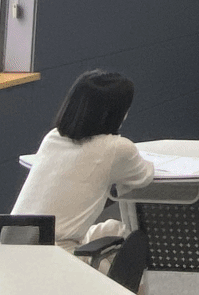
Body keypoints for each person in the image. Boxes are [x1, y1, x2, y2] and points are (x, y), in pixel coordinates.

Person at [9, 70, 155, 259]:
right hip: (57, 256)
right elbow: (144, 177)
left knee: (113, 229)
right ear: (117, 113)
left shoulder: (52, 138)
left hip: (13, 248)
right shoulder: (117, 148)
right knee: (132, 241)